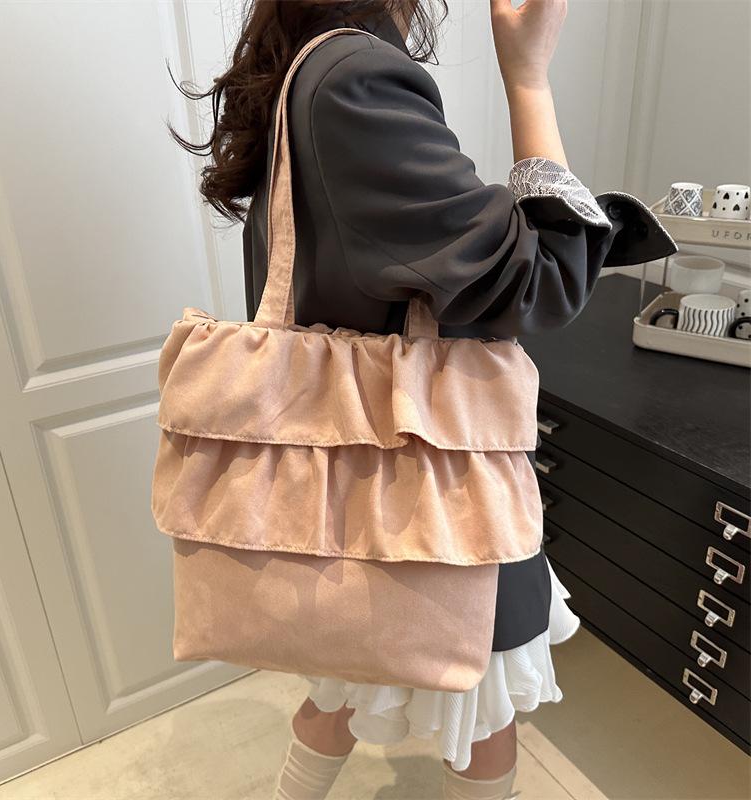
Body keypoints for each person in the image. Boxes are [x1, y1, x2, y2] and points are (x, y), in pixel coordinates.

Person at [169, 1, 676, 798]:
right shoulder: (356, 76)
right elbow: (541, 280)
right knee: (480, 704)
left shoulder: (310, 65)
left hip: (366, 481)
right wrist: (529, 79)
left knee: (346, 684)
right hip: (434, 481)